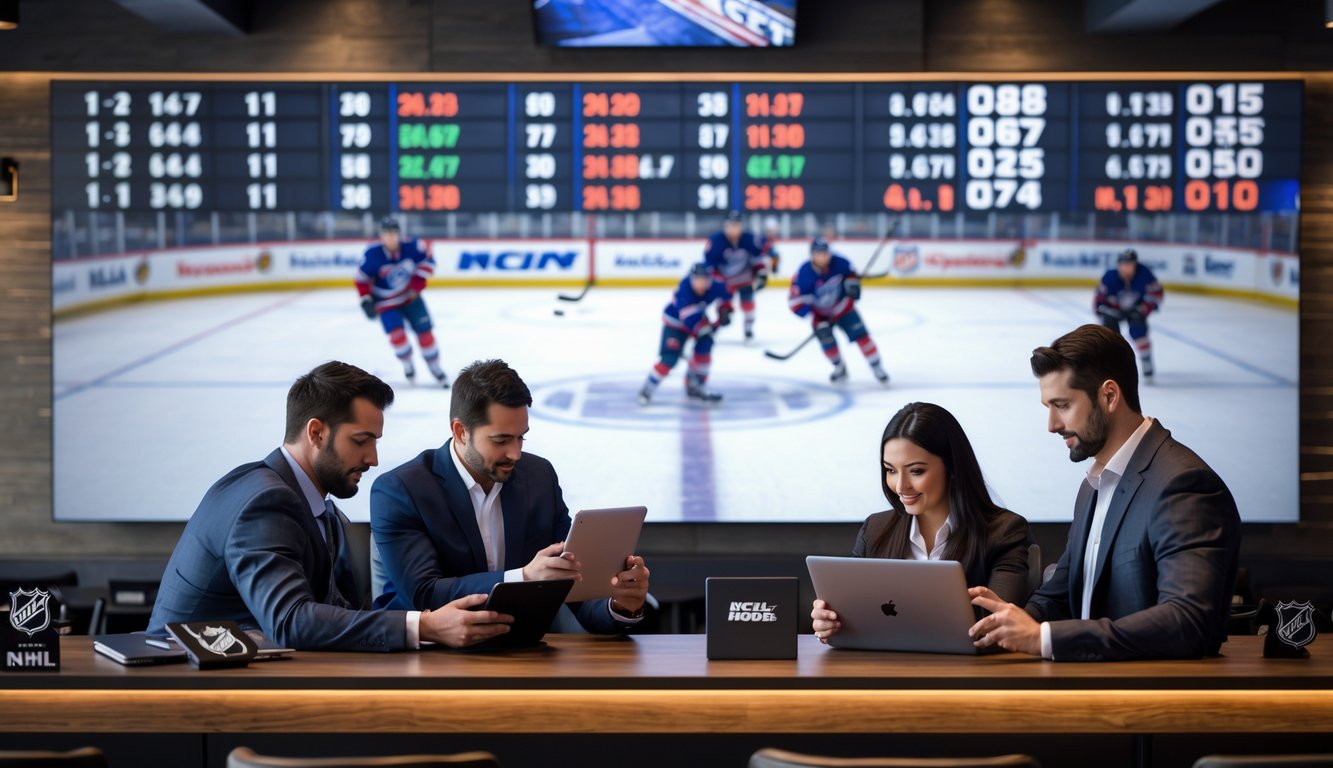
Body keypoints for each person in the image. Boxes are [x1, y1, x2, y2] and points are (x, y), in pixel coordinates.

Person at [147, 361, 513, 651]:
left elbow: (337, 617)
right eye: (361, 441)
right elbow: (290, 620)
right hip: (186, 701)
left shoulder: (322, 510)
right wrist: (423, 626)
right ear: (316, 433)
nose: (373, 459)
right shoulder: (264, 502)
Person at [968, 324, 1241, 661]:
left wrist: (1045, 638)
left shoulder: (1183, 485)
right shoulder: (1093, 486)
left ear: (1109, 396)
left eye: (1062, 405)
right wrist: (1000, 625)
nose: (1051, 424)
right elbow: (1060, 596)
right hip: (1092, 695)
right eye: (1048, 407)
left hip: (1153, 703)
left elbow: (1188, 621)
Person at [371, 359, 651, 633]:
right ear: (460, 431)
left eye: (521, 438)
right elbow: (424, 593)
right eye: (501, 440)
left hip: (523, 655)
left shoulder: (539, 476)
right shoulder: (401, 490)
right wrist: (524, 577)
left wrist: (620, 604)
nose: (515, 453)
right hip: (428, 661)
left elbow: (574, 587)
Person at [811, 402, 1031, 643]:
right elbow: (851, 613)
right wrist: (831, 622)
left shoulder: (1004, 532)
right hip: (883, 671)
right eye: (890, 470)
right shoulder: (874, 530)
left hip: (968, 675)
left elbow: (998, 627)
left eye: (915, 471)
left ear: (952, 467)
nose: (900, 486)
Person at [354, 216, 449, 388]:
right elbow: (361, 279)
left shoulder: (412, 247)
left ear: (399, 234)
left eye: (394, 233)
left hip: (410, 298)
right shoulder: (372, 254)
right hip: (385, 302)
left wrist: (416, 286)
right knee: (398, 336)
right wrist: (365, 300)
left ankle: (435, 367)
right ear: (381, 235)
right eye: (387, 233)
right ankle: (407, 364)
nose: (390, 237)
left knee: (426, 334)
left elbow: (428, 262)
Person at [788, 236, 889, 385]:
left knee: (863, 337)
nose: (822, 257)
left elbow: (851, 275)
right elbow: (795, 302)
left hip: (843, 308)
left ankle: (877, 367)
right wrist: (814, 318)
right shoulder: (803, 274)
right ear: (812, 255)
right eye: (818, 253)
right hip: (820, 315)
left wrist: (853, 286)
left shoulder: (841, 263)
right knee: (828, 343)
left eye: (825, 253)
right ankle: (839, 367)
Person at [637, 262, 731, 405]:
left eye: (704, 280)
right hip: (675, 324)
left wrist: (725, 310)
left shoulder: (715, 286)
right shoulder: (684, 289)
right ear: (691, 278)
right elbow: (688, 318)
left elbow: (726, 295)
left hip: (697, 319)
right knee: (669, 359)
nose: (700, 284)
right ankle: (647, 389)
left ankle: (695, 386)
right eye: (697, 280)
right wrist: (708, 328)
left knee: (705, 349)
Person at [1094, 248, 1163, 379]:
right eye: (1123, 264)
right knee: (1111, 338)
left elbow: (1157, 294)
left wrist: (1145, 308)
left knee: (1138, 332)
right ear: (1118, 265)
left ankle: (1146, 359)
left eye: (1129, 264)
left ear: (1135, 265)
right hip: (1114, 310)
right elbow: (1099, 298)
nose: (1126, 267)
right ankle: (1114, 367)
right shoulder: (1110, 277)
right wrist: (1101, 312)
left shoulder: (1145, 274)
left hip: (1136, 309)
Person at [703, 210, 771, 342]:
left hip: (745, 279)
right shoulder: (716, 241)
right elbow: (710, 265)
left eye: (737, 225)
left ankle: (748, 328)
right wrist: (718, 283)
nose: (734, 228)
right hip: (725, 282)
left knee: (748, 304)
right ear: (725, 226)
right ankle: (715, 326)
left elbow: (761, 257)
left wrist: (762, 274)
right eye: (731, 225)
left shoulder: (750, 239)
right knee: (723, 310)